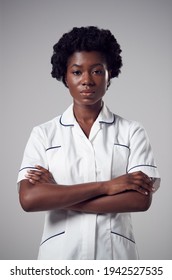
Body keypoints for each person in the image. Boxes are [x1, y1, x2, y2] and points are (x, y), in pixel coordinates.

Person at [17, 26, 160, 260]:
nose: (86, 81)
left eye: (96, 71)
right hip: (60, 259)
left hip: (114, 259)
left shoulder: (132, 131)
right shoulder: (44, 134)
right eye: (76, 72)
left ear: (109, 75)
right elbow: (29, 199)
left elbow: (140, 199)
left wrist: (57, 194)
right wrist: (107, 186)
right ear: (64, 76)